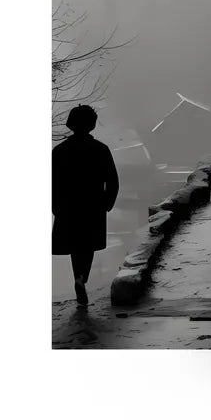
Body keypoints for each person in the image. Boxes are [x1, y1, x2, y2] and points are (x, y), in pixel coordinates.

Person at [52, 104, 119, 305]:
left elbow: (52, 181)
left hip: (68, 206)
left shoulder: (60, 151)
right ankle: (82, 278)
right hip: (93, 205)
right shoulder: (101, 150)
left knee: (74, 245)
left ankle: (78, 278)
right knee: (87, 245)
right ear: (92, 125)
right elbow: (113, 181)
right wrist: (107, 203)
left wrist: (55, 206)